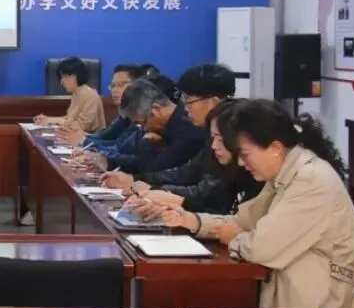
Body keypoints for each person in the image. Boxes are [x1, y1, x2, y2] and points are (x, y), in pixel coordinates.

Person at [164, 99, 354, 308]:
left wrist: (236, 239)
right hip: (297, 297)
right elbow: (246, 221)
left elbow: (261, 248)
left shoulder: (310, 179)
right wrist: (193, 221)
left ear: (275, 148)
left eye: (245, 154)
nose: (241, 163)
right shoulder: (284, 172)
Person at [103, 63, 236, 192]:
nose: (185, 108)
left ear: (213, 103)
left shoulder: (195, 131)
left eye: (188, 100)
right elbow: (186, 172)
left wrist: (142, 185)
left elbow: (203, 192)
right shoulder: (203, 131)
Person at [125, 99, 262, 217]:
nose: (214, 146)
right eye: (213, 137)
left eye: (221, 139)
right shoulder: (220, 160)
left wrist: (161, 193)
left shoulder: (262, 179)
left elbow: (234, 222)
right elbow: (187, 173)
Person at [100, 77, 204, 174]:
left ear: (156, 110)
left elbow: (154, 170)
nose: (144, 129)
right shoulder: (165, 127)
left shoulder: (188, 130)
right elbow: (140, 162)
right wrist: (108, 162)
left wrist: (147, 143)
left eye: (142, 123)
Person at [59, 63, 143, 148]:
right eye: (113, 86)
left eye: (120, 85)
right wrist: (82, 137)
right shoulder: (124, 115)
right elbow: (105, 137)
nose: (115, 90)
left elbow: (119, 148)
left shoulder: (140, 117)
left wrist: (83, 141)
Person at [34, 57, 106, 132]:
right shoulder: (76, 94)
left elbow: (80, 126)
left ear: (75, 76)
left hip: (90, 138)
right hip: (75, 136)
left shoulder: (91, 96)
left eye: (65, 76)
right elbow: (69, 119)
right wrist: (48, 120)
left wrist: (56, 121)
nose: (62, 81)